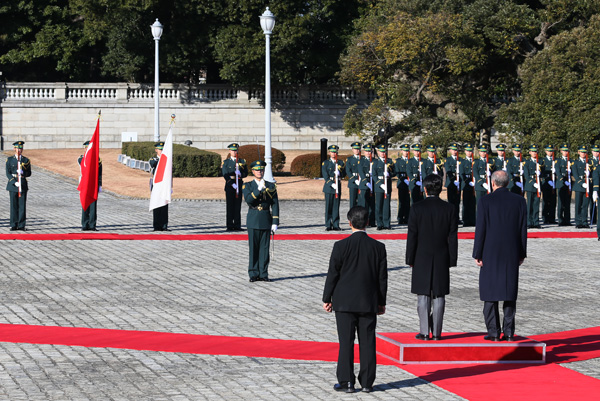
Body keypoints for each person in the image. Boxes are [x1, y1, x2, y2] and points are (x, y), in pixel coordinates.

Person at [322, 206, 387, 393]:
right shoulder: (378, 247)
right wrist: (381, 302)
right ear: (367, 223)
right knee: (368, 343)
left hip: (344, 302)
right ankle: (367, 382)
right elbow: (382, 278)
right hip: (368, 301)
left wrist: (327, 297)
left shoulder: (340, 246)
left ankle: (346, 382)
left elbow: (333, 274)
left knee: (346, 343)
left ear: (349, 223)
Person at [473, 170, 527, 342]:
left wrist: (477, 253)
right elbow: (522, 230)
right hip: (511, 251)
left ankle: (494, 332)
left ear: (493, 183)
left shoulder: (485, 201)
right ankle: (509, 332)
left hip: (490, 251)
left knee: (490, 292)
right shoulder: (519, 201)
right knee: (509, 293)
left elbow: (480, 230)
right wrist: (522, 253)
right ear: (508, 183)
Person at [405, 174, 458, 341]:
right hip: (442, 255)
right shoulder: (449, 208)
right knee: (439, 295)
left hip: (421, 255)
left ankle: (424, 332)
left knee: (423, 295)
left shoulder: (417, 208)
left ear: (425, 189)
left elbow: (412, 236)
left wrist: (410, 258)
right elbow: (452, 237)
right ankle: (436, 333)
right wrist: (452, 259)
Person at [242, 160, 279, 282]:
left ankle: (263, 273)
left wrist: (275, 222)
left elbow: (274, 204)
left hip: (265, 218)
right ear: (253, 171)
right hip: (253, 219)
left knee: (264, 249)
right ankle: (253, 273)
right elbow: (249, 200)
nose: (259, 172)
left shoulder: (270, 185)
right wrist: (258, 190)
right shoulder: (247, 186)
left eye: (261, 170)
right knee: (254, 248)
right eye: (257, 170)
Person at [6, 141, 32, 231]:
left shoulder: (26, 160)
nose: (19, 150)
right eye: (17, 148)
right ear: (14, 149)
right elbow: (8, 173)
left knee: (22, 205)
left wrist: (23, 173)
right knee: (13, 205)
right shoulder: (10, 160)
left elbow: (29, 173)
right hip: (13, 185)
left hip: (23, 184)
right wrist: (13, 181)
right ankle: (13, 224)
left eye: (21, 148)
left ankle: (21, 225)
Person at [221, 143, 248, 231]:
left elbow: (246, 173)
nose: (234, 152)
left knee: (237, 206)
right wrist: (231, 183)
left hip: (239, 185)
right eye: (232, 150)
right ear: (229, 151)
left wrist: (241, 174)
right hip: (230, 186)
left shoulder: (242, 161)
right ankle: (229, 225)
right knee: (230, 206)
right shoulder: (226, 162)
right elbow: (225, 175)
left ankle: (237, 225)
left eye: (235, 150)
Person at [78, 140, 102, 231]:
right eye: (85, 147)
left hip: (93, 183)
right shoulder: (81, 158)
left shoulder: (98, 159)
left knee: (93, 205)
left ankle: (92, 224)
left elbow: (99, 173)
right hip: (84, 183)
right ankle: (84, 223)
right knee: (85, 203)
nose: (86, 149)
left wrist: (100, 184)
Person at [322, 145, 345, 231]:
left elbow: (344, 174)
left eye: (335, 152)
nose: (333, 153)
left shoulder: (341, 163)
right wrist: (331, 184)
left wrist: (339, 173)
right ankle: (328, 224)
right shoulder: (326, 163)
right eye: (332, 152)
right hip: (329, 187)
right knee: (329, 206)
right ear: (329, 153)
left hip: (337, 186)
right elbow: (325, 176)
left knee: (336, 206)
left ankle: (336, 224)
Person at [372, 144, 395, 230]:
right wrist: (380, 184)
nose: (382, 153)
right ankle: (379, 223)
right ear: (378, 152)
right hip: (379, 186)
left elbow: (394, 172)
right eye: (381, 152)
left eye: (384, 152)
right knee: (379, 205)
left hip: (387, 185)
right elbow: (374, 175)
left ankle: (387, 223)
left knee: (386, 205)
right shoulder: (375, 162)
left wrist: (390, 174)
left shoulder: (389, 161)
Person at [149, 142, 169, 231]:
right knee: (156, 205)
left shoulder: (167, 160)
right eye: (160, 149)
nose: (161, 151)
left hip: (165, 185)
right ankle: (156, 226)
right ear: (156, 150)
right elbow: (154, 164)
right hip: (157, 185)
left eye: (163, 149)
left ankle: (164, 225)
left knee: (164, 205)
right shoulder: (153, 159)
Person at [572, 145, 592, 228]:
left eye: (585, 152)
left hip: (587, 185)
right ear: (578, 152)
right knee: (578, 205)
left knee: (585, 205)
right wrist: (581, 183)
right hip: (579, 186)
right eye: (582, 152)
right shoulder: (575, 163)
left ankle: (584, 221)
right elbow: (575, 175)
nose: (583, 153)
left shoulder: (589, 162)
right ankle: (578, 221)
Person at [523, 145, 542, 229]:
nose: (534, 153)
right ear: (530, 152)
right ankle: (529, 222)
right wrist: (533, 182)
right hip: (530, 185)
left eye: (535, 151)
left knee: (536, 205)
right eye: (533, 151)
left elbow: (544, 173)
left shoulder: (540, 162)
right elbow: (526, 175)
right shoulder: (527, 163)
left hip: (538, 185)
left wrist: (540, 174)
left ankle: (536, 221)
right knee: (530, 204)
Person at [357, 144, 376, 227]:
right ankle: (363, 222)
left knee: (372, 204)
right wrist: (366, 182)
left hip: (373, 184)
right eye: (367, 151)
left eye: (370, 151)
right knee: (364, 205)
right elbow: (361, 172)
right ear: (364, 152)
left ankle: (372, 221)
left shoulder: (375, 161)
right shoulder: (361, 161)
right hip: (365, 184)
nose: (368, 153)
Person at [444, 143, 462, 226]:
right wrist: (453, 179)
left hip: (459, 182)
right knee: (451, 201)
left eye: (456, 150)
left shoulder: (461, 160)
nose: (455, 151)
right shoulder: (447, 160)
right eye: (453, 150)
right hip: (451, 183)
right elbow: (448, 171)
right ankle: (451, 218)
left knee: (457, 201)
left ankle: (457, 217)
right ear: (450, 150)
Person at [555, 144, 573, 226]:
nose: (566, 152)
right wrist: (562, 179)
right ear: (561, 151)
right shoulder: (558, 161)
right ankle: (560, 220)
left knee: (567, 203)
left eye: (567, 151)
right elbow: (558, 172)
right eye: (564, 150)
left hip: (568, 183)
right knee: (561, 203)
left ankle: (567, 220)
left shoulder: (571, 161)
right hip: (561, 183)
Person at [459, 144, 477, 226]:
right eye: (468, 151)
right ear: (465, 151)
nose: (469, 153)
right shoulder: (462, 162)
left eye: (470, 151)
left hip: (474, 184)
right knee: (466, 203)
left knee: (473, 203)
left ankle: (472, 220)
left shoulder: (475, 161)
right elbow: (461, 174)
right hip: (466, 184)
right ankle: (465, 220)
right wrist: (467, 181)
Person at [540, 145, 557, 224]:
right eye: (549, 151)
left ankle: (552, 218)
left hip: (554, 182)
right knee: (546, 201)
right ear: (546, 151)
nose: (550, 152)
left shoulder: (555, 160)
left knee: (553, 201)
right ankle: (545, 218)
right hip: (546, 182)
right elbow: (541, 172)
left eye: (551, 151)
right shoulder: (542, 160)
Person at [395, 144, 411, 224]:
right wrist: (404, 180)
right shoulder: (398, 161)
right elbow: (397, 173)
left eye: (407, 151)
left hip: (409, 183)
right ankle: (400, 218)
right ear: (401, 151)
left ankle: (407, 217)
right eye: (404, 151)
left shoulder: (410, 160)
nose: (406, 152)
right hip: (402, 184)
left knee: (408, 201)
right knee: (401, 201)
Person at [346, 142, 362, 210]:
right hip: (353, 182)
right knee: (353, 202)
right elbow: (348, 171)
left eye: (358, 149)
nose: (357, 150)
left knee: (361, 202)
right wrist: (354, 180)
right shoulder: (349, 159)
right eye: (355, 149)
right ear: (352, 150)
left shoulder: (363, 159)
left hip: (361, 181)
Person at [589, 144, 599, 225]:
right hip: (592, 183)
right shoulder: (590, 160)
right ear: (592, 152)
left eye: (597, 151)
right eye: (595, 151)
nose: (596, 153)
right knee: (592, 202)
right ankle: (593, 219)